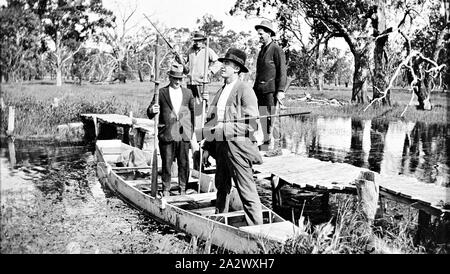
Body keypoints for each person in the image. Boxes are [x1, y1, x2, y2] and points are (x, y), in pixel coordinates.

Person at [201, 48, 263, 226]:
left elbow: (252, 124)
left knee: (247, 191)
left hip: (239, 149)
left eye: (227, 64)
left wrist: (225, 127)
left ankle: (258, 232)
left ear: (237, 69)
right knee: (221, 187)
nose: (222, 66)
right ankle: (220, 224)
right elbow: (211, 121)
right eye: (223, 63)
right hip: (220, 147)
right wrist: (206, 146)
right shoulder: (221, 91)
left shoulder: (245, 91)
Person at [147, 63, 196, 197]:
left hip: (183, 134)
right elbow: (150, 111)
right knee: (167, 163)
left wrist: (191, 133)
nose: (177, 81)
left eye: (180, 79)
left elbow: (193, 113)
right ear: (170, 77)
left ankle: (183, 188)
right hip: (167, 134)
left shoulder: (188, 93)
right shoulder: (161, 93)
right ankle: (166, 189)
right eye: (175, 78)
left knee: (184, 162)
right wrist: (153, 110)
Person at [253, 20, 287, 157]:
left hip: (272, 91)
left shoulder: (276, 49)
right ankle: (266, 144)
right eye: (258, 34)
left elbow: (282, 72)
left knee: (274, 119)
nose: (259, 36)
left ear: (269, 33)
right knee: (263, 118)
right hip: (260, 90)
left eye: (261, 34)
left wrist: (280, 91)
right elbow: (259, 71)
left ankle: (277, 147)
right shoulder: (262, 50)